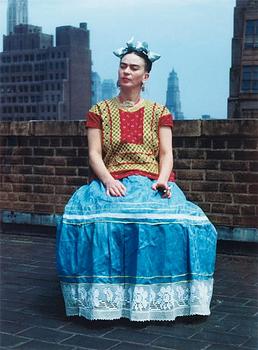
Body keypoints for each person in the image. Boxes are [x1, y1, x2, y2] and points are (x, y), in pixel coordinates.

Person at [56, 38, 217, 322]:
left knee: (180, 223)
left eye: (134, 68)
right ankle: (110, 300)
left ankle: (157, 298)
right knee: (103, 223)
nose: (126, 72)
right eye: (123, 66)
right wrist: (107, 180)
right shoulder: (99, 112)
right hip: (113, 179)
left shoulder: (159, 112)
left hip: (151, 180)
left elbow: (166, 154)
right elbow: (94, 154)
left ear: (146, 76)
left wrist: (163, 179)